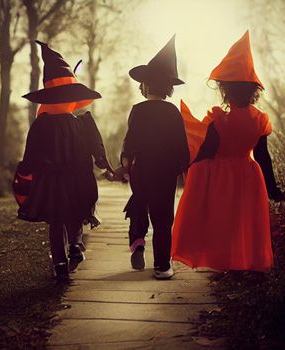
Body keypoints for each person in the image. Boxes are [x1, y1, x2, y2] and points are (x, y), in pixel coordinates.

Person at [172, 31, 284, 272]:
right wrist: (273, 189)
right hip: (249, 176)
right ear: (253, 90)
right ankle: (242, 264)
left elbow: (207, 151)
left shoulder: (218, 120)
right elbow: (263, 156)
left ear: (226, 90)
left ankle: (226, 264)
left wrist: (190, 165)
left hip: (222, 177)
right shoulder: (259, 120)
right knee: (243, 222)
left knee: (223, 221)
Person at [18, 41, 109, 281]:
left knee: (56, 221)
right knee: (76, 213)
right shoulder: (83, 123)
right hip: (79, 179)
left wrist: (24, 171)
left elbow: (31, 155)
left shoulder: (41, 125)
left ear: (48, 99)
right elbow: (96, 149)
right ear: (74, 98)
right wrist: (105, 166)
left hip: (52, 183)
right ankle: (76, 245)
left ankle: (60, 262)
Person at [121, 35, 189, 279]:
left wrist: (126, 162)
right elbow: (181, 145)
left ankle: (137, 242)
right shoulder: (172, 112)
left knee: (139, 203)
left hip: (142, 170)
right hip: (165, 173)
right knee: (162, 219)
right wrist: (185, 169)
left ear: (145, 86)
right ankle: (162, 265)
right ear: (168, 88)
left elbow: (131, 140)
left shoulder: (138, 110)